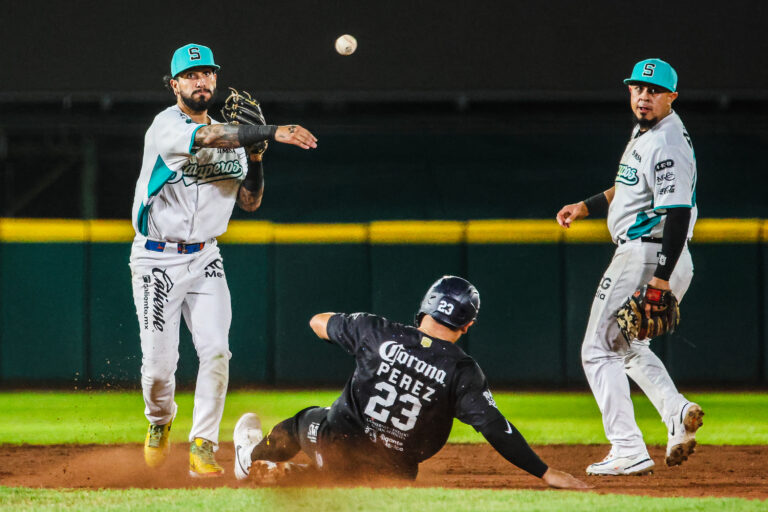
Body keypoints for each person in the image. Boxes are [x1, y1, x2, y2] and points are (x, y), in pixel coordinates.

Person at [130, 43, 318, 477]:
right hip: (157, 259)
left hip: (205, 258)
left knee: (216, 351)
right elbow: (207, 138)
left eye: (207, 73)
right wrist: (270, 132)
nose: (201, 81)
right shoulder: (166, 126)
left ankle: (203, 444)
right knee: (159, 369)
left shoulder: (236, 138)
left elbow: (250, 201)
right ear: (174, 84)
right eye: (191, 75)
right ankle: (159, 421)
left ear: (215, 79)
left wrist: (255, 158)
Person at [232, 276, 589, 489]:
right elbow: (497, 428)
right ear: (468, 324)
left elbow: (316, 321)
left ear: (427, 306)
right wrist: (546, 473)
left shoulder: (377, 331)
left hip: (332, 445)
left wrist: (352, 329)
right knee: (355, 472)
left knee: (303, 420)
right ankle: (300, 475)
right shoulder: (463, 370)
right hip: (392, 475)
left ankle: (250, 458)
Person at [556, 58, 703, 476]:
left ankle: (627, 448)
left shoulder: (667, 142)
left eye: (654, 91)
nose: (644, 96)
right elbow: (627, 186)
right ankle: (677, 413)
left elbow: (676, 212)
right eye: (638, 88)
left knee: (597, 350)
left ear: (672, 97)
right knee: (629, 348)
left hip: (648, 253)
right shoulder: (648, 133)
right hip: (663, 255)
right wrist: (587, 205)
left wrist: (658, 278)